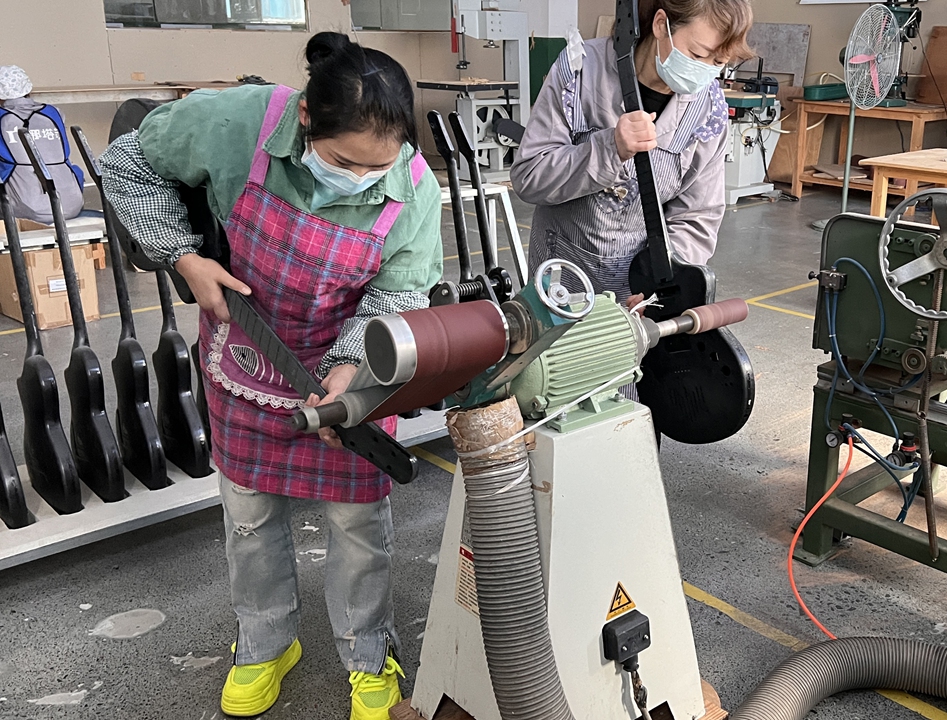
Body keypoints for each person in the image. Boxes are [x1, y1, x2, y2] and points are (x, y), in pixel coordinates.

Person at [100, 32, 442, 720]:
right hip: (247, 357)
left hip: (346, 373)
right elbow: (126, 164)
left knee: (358, 525)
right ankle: (264, 644)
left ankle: (369, 655)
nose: (364, 180)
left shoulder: (412, 188)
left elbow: (397, 297)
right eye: (346, 163)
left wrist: (351, 373)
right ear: (307, 120)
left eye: (381, 167)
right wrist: (183, 256)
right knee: (250, 518)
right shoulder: (239, 123)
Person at [510, 0, 753, 305]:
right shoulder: (581, 73)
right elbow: (530, 177)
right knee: (557, 350)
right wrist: (608, 150)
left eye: (719, 62)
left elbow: (697, 216)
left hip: (639, 296)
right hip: (561, 277)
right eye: (698, 55)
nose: (705, 72)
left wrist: (662, 279)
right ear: (661, 24)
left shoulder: (708, 111)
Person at [0, 65, 86, 224]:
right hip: (72, 204)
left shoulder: (2, 118)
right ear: (28, 89)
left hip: (28, 210)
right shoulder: (54, 112)